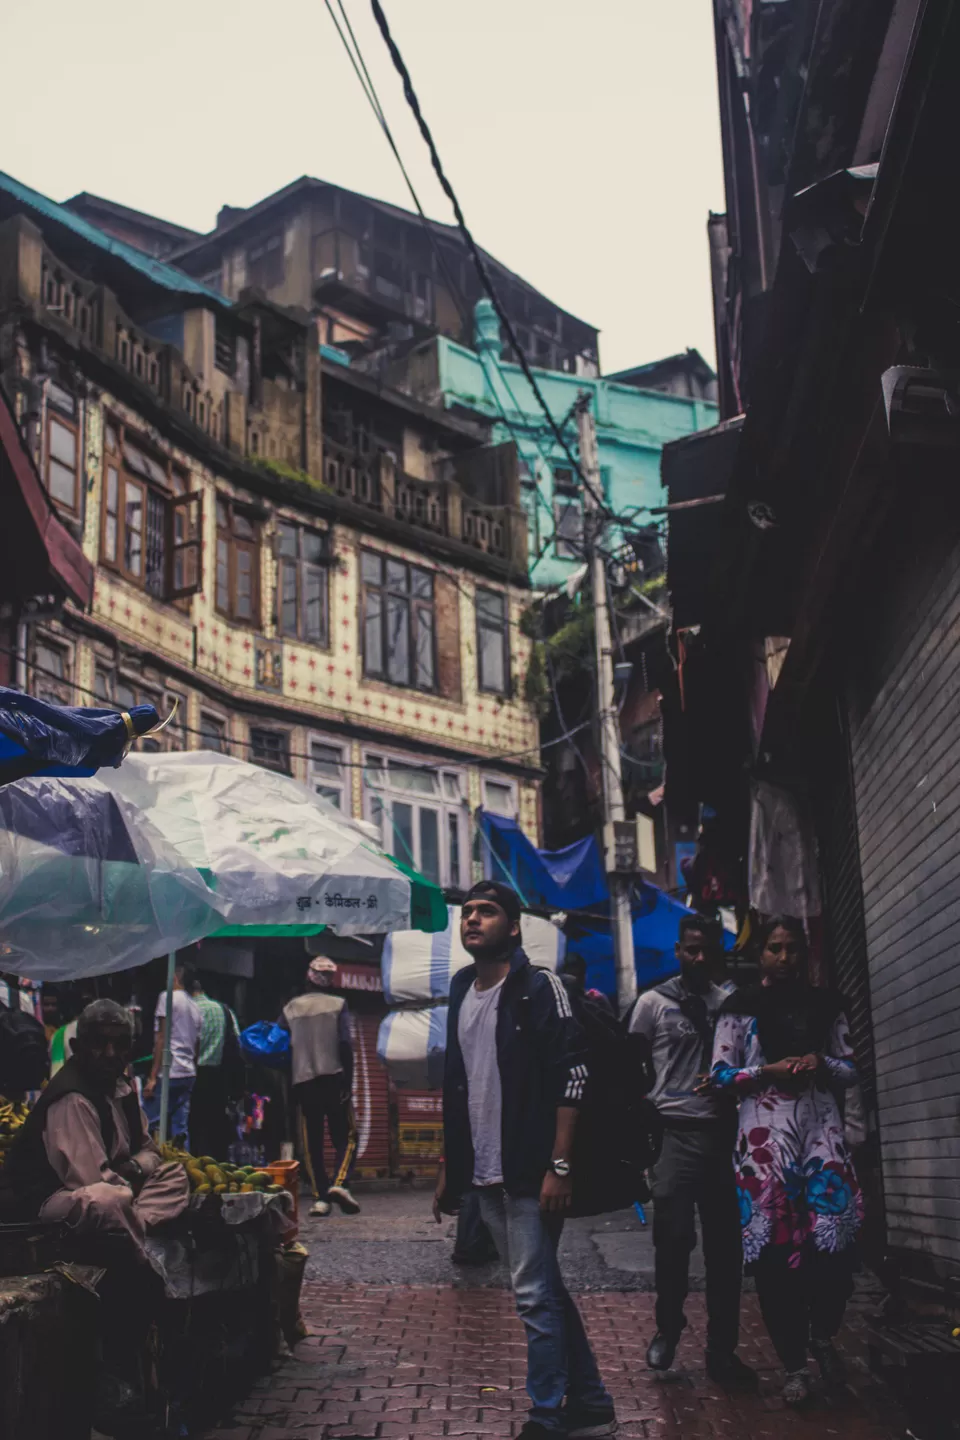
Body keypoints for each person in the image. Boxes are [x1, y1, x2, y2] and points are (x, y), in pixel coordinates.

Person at [433, 880, 616, 1440]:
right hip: (483, 1173)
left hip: (531, 1170)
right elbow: (459, 1082)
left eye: (486, 912)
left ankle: (547, 1414)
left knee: (533, 1295)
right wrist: (450, 1166)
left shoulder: (539, 986)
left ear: (513, 928)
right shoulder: (461, 987)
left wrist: (559, 1166)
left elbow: (573, 1074)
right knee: (544, 1291)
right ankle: (593, 1404)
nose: (472, 919)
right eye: (467, 912)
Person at [0, 1000, 189, 1409]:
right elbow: (91, 1181)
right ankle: (139, 1248)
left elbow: (149, 1152)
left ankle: (132, 1223)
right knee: (108, 1200)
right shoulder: (73, 1098)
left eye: (119, 1044)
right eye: (99, 1043)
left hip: (116, 1189)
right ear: (78, 1046)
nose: (109, 1053)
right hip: (50, 1202)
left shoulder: (122, 1089)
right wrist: (132, 1173)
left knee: (174, 1176)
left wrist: (133, 1169)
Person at [707, 916, 862, 1406]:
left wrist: (822, 1063)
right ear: (761, 954)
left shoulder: (828, 1005)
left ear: (805, 953)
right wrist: (766, 1071)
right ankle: (794, 1366)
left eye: (793, 948)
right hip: (764, 1145)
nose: (784, 957)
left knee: (835, 1245)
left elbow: (851, 1068)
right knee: (775, 1259)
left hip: (822, 1136)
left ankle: (823, 1335)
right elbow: (720, 1075)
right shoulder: (739, 1007)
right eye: (775, 947)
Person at [628, 915, 756, 1390]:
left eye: (707, 951)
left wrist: (729, 1084)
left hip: (723, 1137)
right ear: (679, 951)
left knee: (726, 1249)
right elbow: (630, 1065)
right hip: (673, 1135)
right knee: (673, 1238)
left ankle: (722, 1351)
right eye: (691, 950)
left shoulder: (732, 1005)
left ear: (718, 954)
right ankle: (668, 1325)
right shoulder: (652, 1003)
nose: (699, 958)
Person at [281, 957, 359, 1217]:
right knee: (347, 1136)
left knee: (312, 1142)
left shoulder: (291, 1008)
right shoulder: (338, 1004)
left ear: (308, 976)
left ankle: (320, 1199)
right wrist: (348, 1081)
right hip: (333, 1078)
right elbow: (345, 1044)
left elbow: (279, 1045)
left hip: (303, 1082)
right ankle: (340, 1182)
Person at [143, 963, 202, 1140]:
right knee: (180, 1128)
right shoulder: (195, 1006)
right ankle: (183, 1157)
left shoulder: (167, 997)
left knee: (149, 1122)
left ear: (175, 977)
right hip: (188, 1072)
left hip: (170, 1071)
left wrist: (152, 1077)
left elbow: (162, 1037)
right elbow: (197, 1045)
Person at [188, 972, 242, 1161]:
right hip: (218, 1075)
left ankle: (194, 1164)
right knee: (216, 1126)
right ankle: (218, 1166)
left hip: (192, 1074)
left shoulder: (187, 1009)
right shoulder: (224, 1010)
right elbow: (237, 1042)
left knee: (193, 1126)